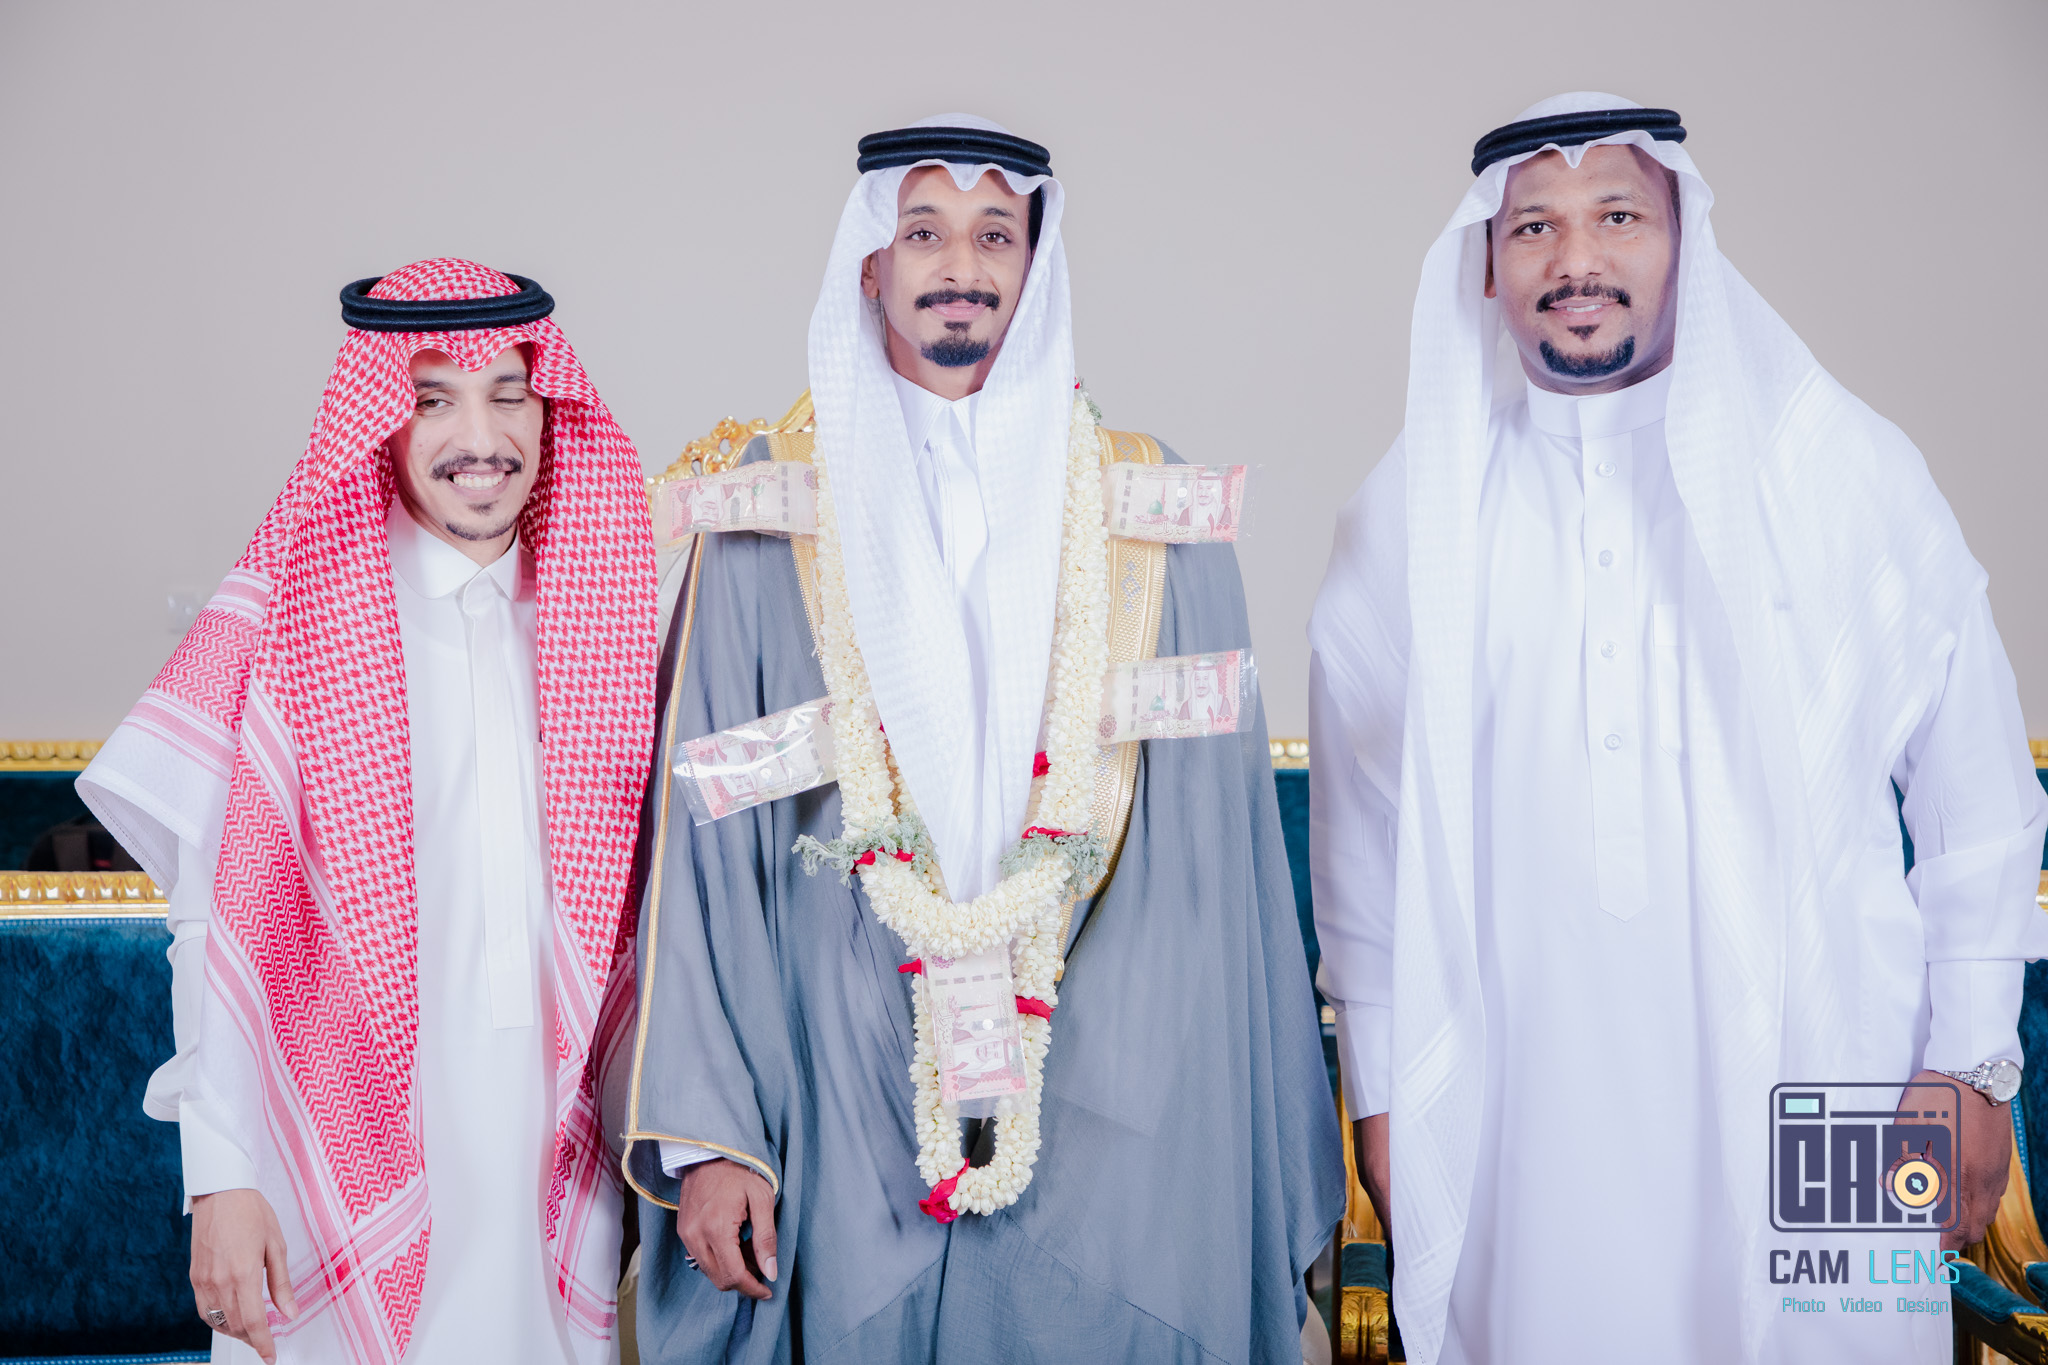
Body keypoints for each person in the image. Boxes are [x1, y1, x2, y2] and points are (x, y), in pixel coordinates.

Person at [1308, 94, 2048, 1365]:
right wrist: (1382, 1094)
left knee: (1829, 1339)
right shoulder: (1409, 515)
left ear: (1683, 240)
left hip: (1831, 1083)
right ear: (1484, 266)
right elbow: (1360, 846)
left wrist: (1973, 1061)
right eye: (1532, 226)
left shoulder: (1832, 468)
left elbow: (1972, 783)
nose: (1575, 260)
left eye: (1616, 218)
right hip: (1522, 1117)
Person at [624, 115, 1342, 1363]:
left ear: (1033, 262)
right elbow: (699, 857)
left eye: (994, 234)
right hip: (834, 1067)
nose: (960, 264)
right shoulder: (764, 511)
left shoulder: (1147, 513)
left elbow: (1219, 862)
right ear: (869, 263)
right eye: (924, 232)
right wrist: (710, 1139)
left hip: (1112, 1085)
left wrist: (1179, 1096)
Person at [78, 259, 656, 1364]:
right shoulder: (298, 622)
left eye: (508, 394)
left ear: (549, 411)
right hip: (332, 1148)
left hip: (546, 1161)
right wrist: (220, 1174)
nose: (479, 436)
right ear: (383, 419)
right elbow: (213, 923)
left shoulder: (604, 619)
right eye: (434, 399)